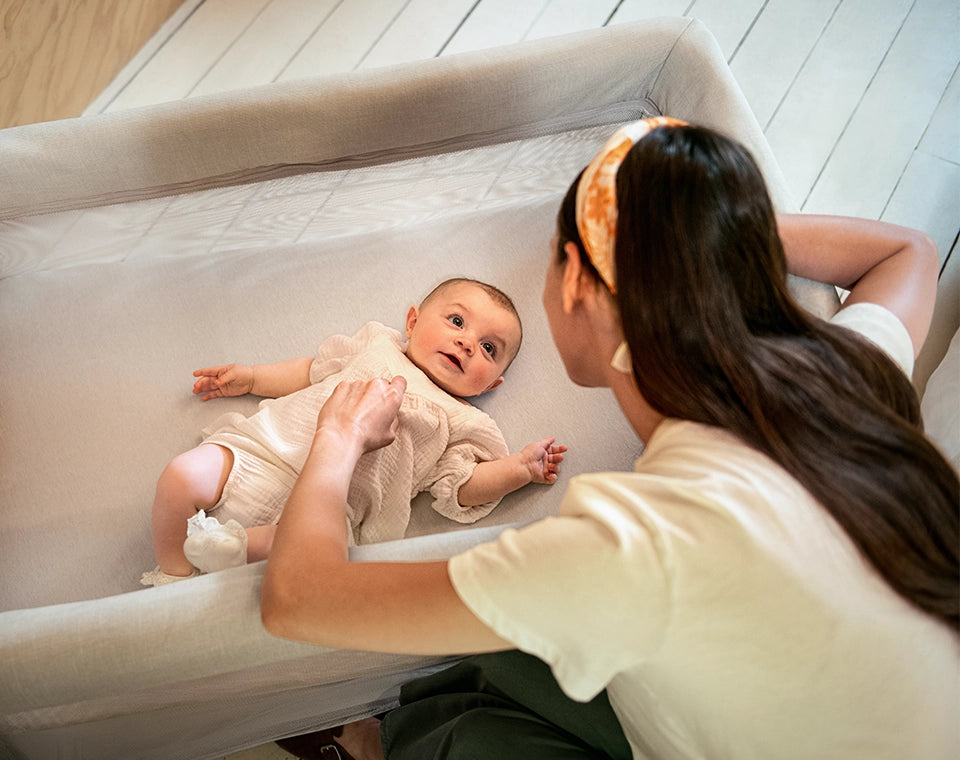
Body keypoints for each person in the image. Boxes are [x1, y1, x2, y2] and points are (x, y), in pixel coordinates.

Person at [259, 118, 959, 760]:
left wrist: (339, 437)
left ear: (576, 286)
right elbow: (909, 251)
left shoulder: (636, 543)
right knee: (493, 654)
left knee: (471, 728)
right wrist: (703, 244)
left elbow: (298, 598)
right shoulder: (845, 372)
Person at [141, 277, 567, 585]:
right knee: (181, 475)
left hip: (334, 508)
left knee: (305, 550)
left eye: (489, 348)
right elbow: (311, 371)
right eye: (456, 321)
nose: (468, 343)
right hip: (265, 453)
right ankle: (175, 574)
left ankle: (231, 548)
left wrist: (518, 469)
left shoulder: (465, 421)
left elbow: (461, 487)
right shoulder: (377, 346)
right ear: (413, 322)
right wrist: (253, 378)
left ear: (492, 384)